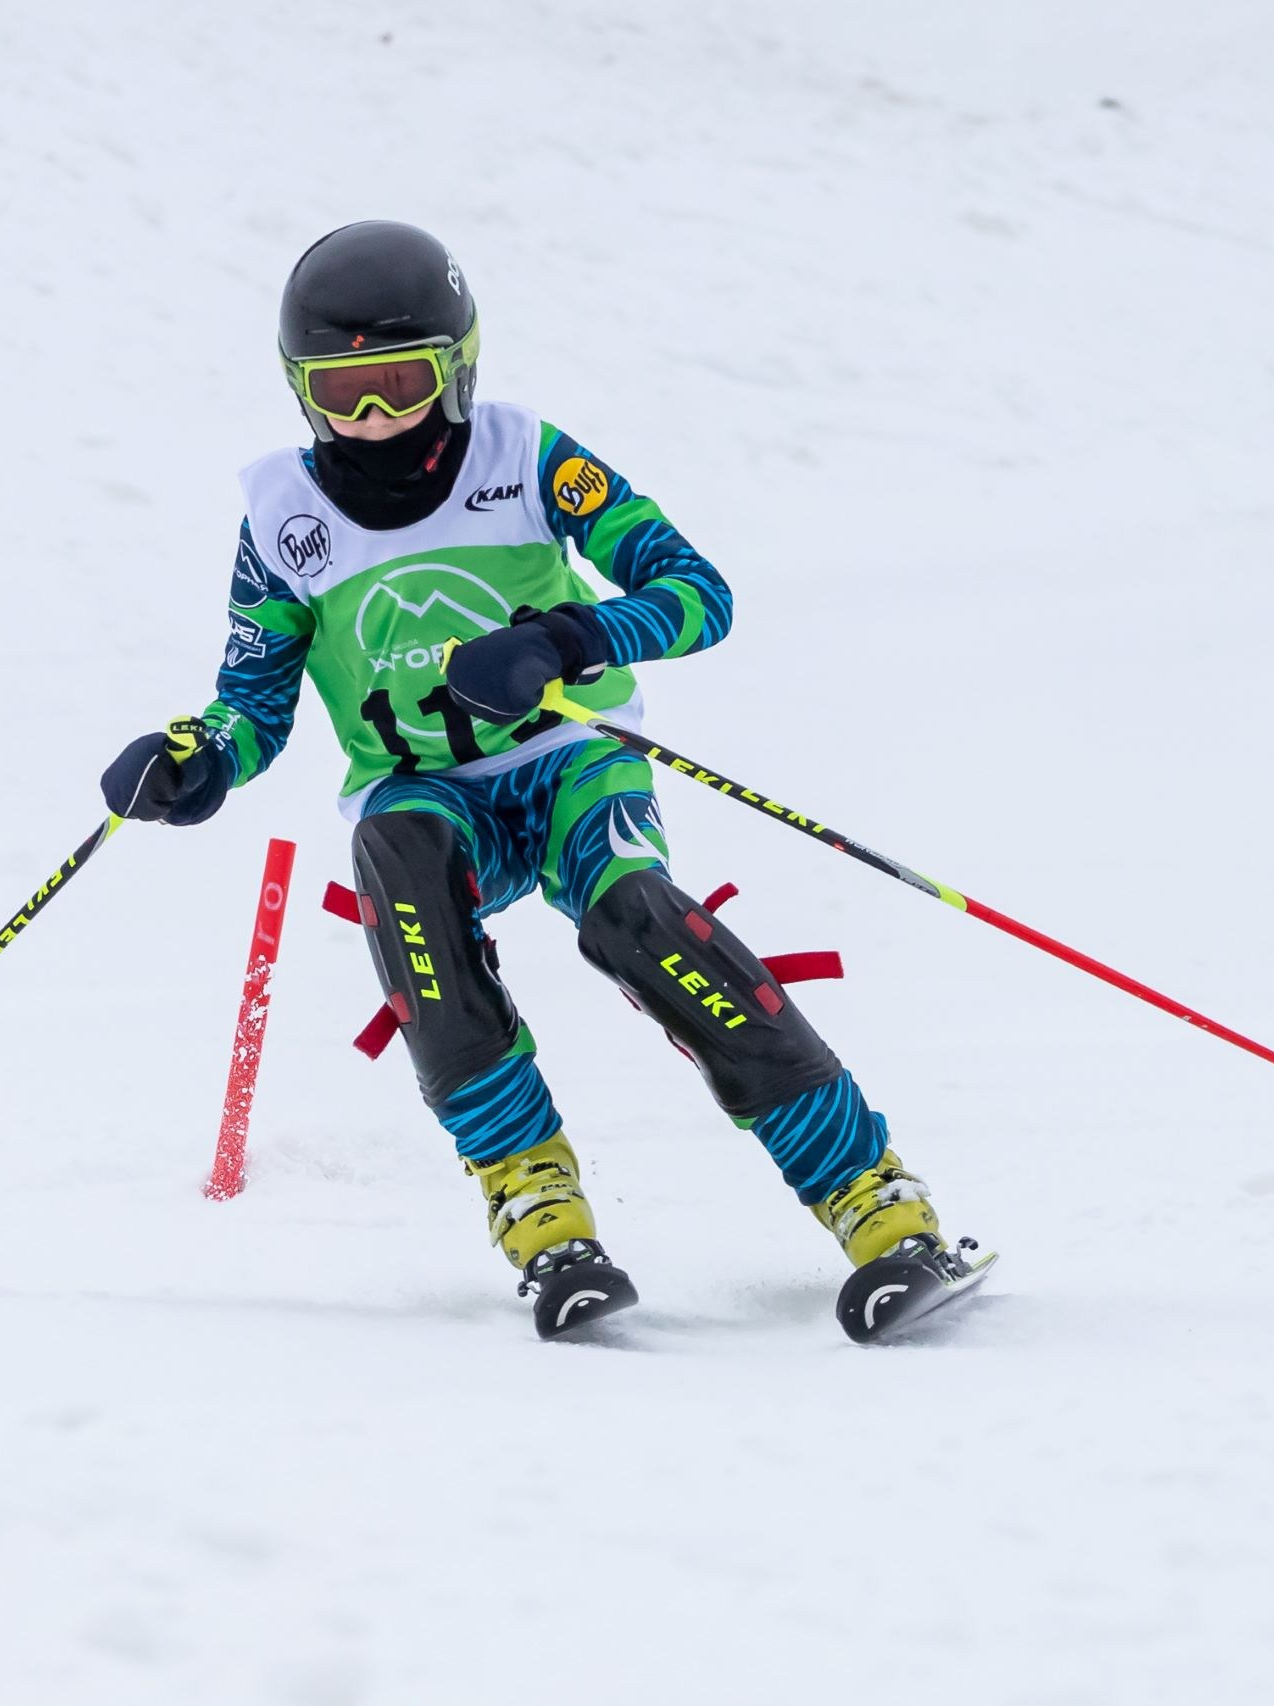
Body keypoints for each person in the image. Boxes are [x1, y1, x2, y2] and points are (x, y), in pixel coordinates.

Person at [102, 220, 960, 1339]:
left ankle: (872, 1198)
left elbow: (696, 590)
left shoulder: (526, 456)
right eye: (340, 389)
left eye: (399, 382)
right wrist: (197, 757)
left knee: (637, 916)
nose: (372, 415)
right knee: (398, 872)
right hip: (426, 792)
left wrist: (568, 639)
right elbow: (253, 699)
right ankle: (539, 1210)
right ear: (298, 387)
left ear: (457, 368)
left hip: (567, 759)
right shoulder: (282, 519)